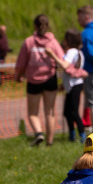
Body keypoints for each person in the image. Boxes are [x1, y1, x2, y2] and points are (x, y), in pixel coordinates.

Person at [14, 14, 65, 147]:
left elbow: (21, 63)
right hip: (50, 80)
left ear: (35, 26)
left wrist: (17, 76)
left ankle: (38, 133)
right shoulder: (53, 42)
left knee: (32, 113)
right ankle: (50, 142)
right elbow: (63, 59)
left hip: (33, 80)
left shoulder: (29, 42)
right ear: (48, 26)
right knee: (50, 112)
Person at [45, 29, 87, 143]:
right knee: (67, 112)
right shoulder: (79, 52)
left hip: (74, 85)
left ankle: (82, 135)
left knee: (73, 112)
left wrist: (51, 54)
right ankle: (72, 134)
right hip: (73, 85)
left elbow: (64, 65)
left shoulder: (71, 52)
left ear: (68, 40)